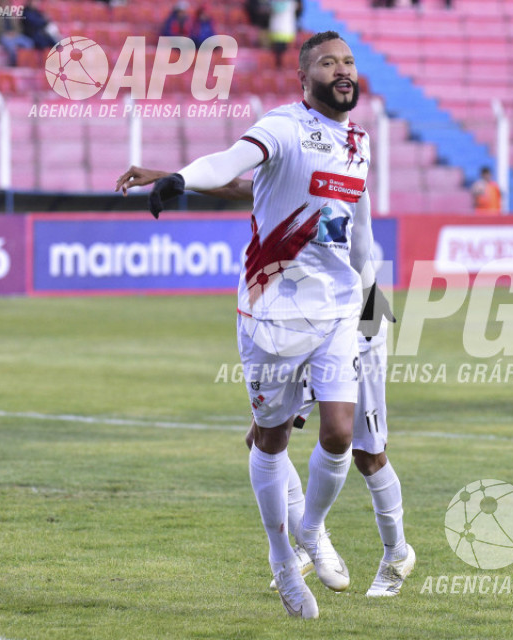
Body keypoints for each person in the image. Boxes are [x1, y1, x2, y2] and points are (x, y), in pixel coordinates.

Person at [139, 31, 391, 620]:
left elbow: (361, 230)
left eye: (349, 62)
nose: (343, 71)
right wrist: (182, 177)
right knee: (270, 437)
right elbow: (231, 161)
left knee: (337, 432)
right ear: (305, 80)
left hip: (335, 310)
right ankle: (282, 559)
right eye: (329, 63)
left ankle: (311, 530)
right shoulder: (283, 125)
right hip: (271, 314)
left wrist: (373, 306)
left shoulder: (359, 141)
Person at [115, 165, 415, 598]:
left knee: (367, 454)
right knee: (261, 439)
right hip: (301, 324)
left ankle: (396, 554)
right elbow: (238, 183)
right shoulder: (289, 177)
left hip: (355, 322)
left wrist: (364, 327)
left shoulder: (343, 177)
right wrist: (173, 177)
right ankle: (312, 543)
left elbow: (361, 262)